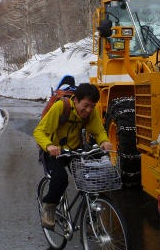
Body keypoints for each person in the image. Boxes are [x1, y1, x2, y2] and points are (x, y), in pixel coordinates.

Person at [33, 82, 113, 229]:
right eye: (86, 105)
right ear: (75, 100)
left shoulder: (90, 112)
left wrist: (104, 141)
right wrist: (49, 146)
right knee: (60, 179)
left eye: (92, 106)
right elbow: (39, 131)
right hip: (53, 152)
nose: (88, 110)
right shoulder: (61, 107)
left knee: (89, 178)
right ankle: (49, 208)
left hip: (74, 150)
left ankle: (91, 215)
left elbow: (99, 131)